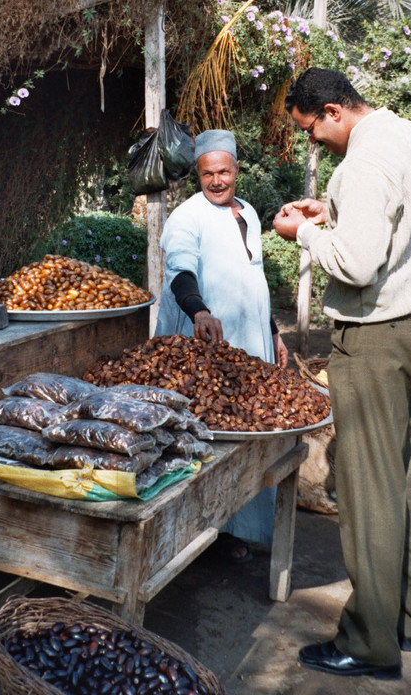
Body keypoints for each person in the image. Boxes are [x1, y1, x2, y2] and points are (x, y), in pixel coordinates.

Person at [273, 67, 411, 681]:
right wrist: (332, 210)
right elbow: (398, 217)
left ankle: (369, 643)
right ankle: (399, 622)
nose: (314, 145)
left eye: (312, 132)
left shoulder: (363, 162)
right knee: (400, 481)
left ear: (331, 110)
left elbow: (356, 264)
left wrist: (304, 233)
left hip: (380, 337)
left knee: (368, 490)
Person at [156, 128, 287, 560]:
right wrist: (199, 311)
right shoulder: (187, 217)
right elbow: (180, 272)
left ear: (236, 171)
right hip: (207, 345)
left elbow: (255, 276)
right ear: (198, 173)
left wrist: (272, 331)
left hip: (251, 345)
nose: (216, 181)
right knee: (209, 434)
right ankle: (206, 531)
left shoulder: (247, 211)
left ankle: (243, 529)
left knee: (249, 430)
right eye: (208, 173)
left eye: (224, 172)